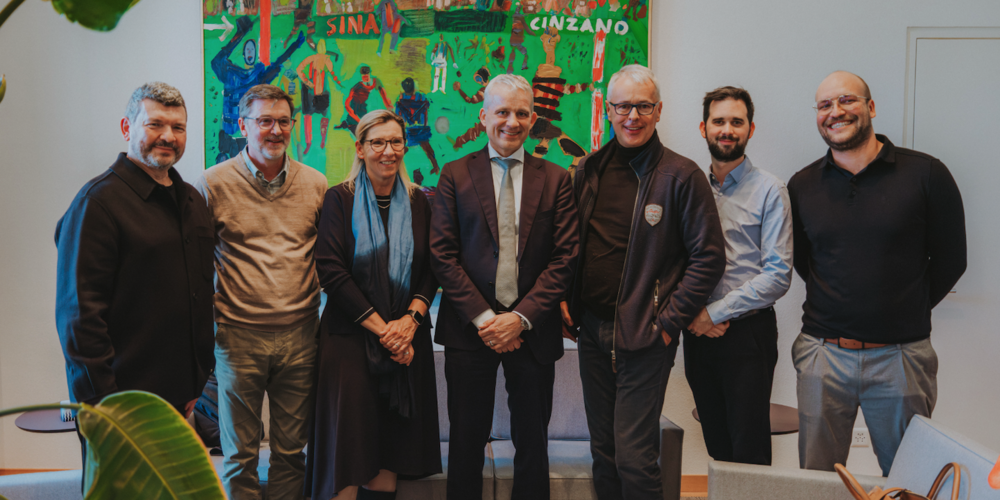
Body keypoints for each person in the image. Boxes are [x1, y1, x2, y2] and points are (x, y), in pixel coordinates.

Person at [789, 71, 967, 475]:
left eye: (847, 100)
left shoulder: (926, 174)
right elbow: (804, 260)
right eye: (824, 105)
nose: (836, 112)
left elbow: (952, 259)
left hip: (901, 357)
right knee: (817, 480)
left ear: (870, 107)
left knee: (909, 476)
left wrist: (903, 307)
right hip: (822, 355)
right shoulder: (802, 185)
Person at [561, 65, 725, 500]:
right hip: (593, 331)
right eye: (622, 106)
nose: (632, 116)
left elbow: (709, 258)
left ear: (658, 111)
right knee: (605, 452)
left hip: (646, 335)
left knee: (635, 457)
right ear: (608, 110)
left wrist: (668, 323)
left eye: (642, 106)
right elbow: (574, 244)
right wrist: (567, 298)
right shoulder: (588, 170)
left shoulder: (681, 176)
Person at [430, 74, 580, 500]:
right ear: (484, 116)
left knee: (532, 443)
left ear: (533, 120)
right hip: (468, 329)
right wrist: (486, 319)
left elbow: (565, 257)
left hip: (533, 332)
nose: (511, 122)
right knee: (465, 443)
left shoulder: (555, 178)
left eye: (520, 113)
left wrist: (518, 319)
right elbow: (442, 255)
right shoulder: (454, 174)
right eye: (502, 112)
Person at [194, 84, 328, 500]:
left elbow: (330, 258)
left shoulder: (316, 184)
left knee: (292, 453)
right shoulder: (212, 184)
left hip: (302, 336)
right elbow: (195, 265)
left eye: (283, 121)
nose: (275, 130)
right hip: (237, 338)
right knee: (239, 456)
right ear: (243, 126)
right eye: (264, 121)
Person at [55, 81, 215, 420]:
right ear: (127, 127)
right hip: (121, 402)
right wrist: (107, 405)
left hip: (184, 399)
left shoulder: (193, 201)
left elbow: (197, 298)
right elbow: (79, 320)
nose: (168, 136)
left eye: (178, 127)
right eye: (155, 124)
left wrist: (198, 387)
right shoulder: (96, 204)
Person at [305, 109, 442, 500]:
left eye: (395, 141)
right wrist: (388, 332)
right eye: (377, 142)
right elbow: (331, 271)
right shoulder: (339, 199)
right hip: (350, 341)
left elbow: (433, 269)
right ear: (360, 148)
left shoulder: (420, 202)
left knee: (389, 448)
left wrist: (410, 324)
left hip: (407, 342)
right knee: (347, 451)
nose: (388, 151)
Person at [685, 86, 793, 465]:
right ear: (703, 128)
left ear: (750, 129)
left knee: (749, 451)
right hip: (697, 335)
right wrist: (695, 314)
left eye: (736, 122)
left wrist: (713, 313)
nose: (727, 129)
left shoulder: (770, 190)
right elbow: (677, 261)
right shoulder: (688, 187)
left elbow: (778, 275)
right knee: (716, 442)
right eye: (719, 121)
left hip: (748, 336)